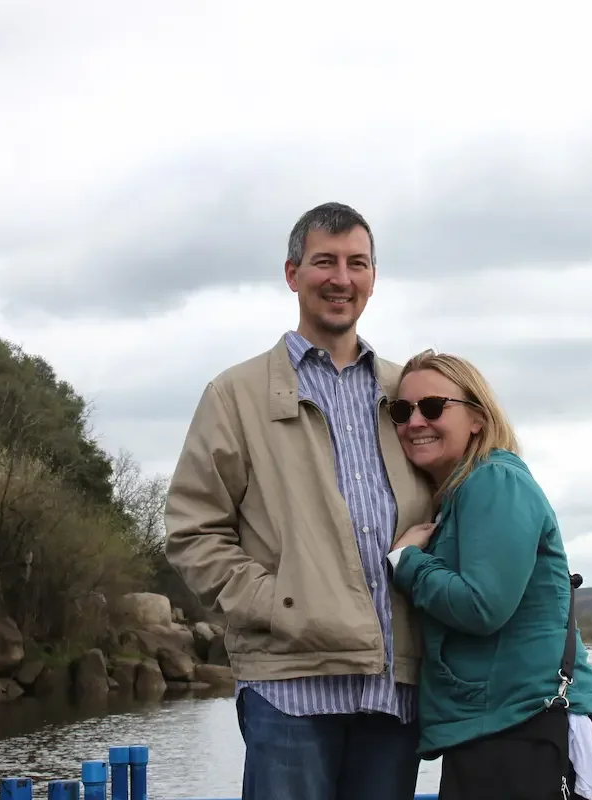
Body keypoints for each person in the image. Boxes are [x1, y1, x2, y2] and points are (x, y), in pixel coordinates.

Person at [164, 202, 435, 800]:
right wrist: (280, 605)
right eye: (325, 262)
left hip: (395, 687)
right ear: (292, 274)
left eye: (357, 263)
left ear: (372, 278)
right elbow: (192, 531)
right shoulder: (236, 395)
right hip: (289, 686)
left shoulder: (409, 392)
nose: (342, 278)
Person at [385, 350, 592, 800]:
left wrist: (405, 562)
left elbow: (482, 605)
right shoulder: (463, 493)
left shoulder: (494, 481)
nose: (415, 421)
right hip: (498, 728)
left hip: (530, 728)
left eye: (433, 407)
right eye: (401, 410)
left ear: (476, 417)